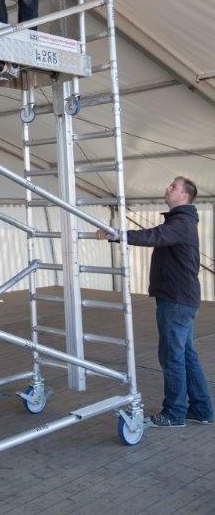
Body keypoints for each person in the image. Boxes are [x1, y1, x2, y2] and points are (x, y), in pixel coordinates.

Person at [97, 176, 213, 427]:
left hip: (176, 300)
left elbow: (154, 236)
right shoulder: (182, 221)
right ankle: (202, 410)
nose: (167, 188)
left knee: (172, 357)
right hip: (182, 299)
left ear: (185, 195)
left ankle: (174, 413)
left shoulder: (181, 223)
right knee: (186, 355)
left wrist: (117, 234)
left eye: (173, 186)